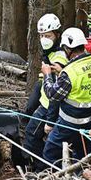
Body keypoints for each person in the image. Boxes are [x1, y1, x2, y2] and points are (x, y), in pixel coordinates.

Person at [42, 27, 91, 166]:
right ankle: (81, 179)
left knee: (50, 153)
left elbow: (52, 95)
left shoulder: (69, 72)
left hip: (68, 124)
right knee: (83, 156)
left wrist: (47, 75)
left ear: (67, 48)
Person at [23, 13, 68, 170]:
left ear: (57, 35)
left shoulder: (59, 58)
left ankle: (43, 168)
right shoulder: (49, 53)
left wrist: (49, 120)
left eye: (48, 35)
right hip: (45, 102)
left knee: (31, 135)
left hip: (49, 107)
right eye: (41, 35)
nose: (44, 39)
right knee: (33, 133)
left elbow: (56, 93)